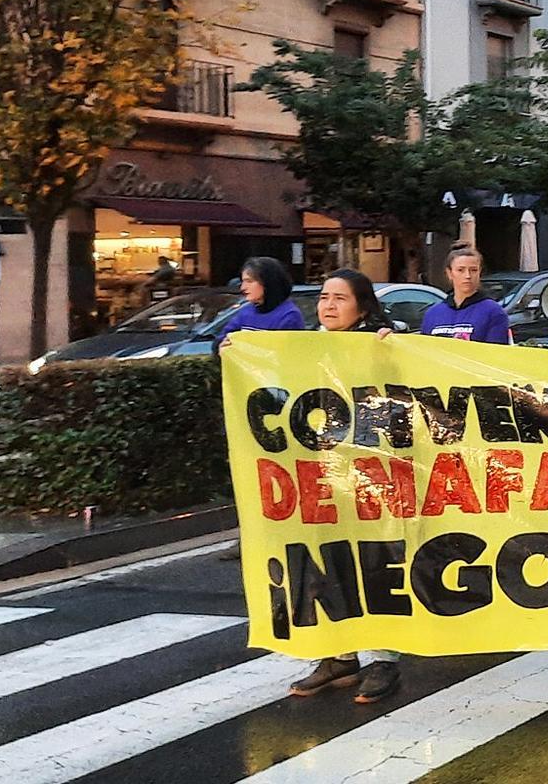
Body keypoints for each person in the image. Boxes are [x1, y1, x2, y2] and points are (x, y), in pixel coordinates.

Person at [288, 269, 402, 704]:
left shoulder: (382, 343)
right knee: (328, 560)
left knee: (376, 561)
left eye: (340, 298)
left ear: (363, 306)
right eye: (323, 297)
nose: (329, 305)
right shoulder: (306, 347)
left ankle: (385, 659)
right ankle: (340, 656)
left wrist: (394, 347)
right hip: (322, 472)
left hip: (374, 475)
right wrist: (233, 352)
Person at [418, 244, 512, 343]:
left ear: (479, 272)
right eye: (460, 270)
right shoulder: (433, 314)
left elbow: (496, 353)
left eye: (473, 270)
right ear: (449, 273)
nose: (467, 276)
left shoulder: (493, 312)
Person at [218, 257, 303, 349]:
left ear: (268, 282)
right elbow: (222, 338)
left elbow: (287, 354)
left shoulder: (289, 316)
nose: (243, 288)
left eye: (249, 281)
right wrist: (221, 347)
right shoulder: (246, 312)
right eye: (243, 282)